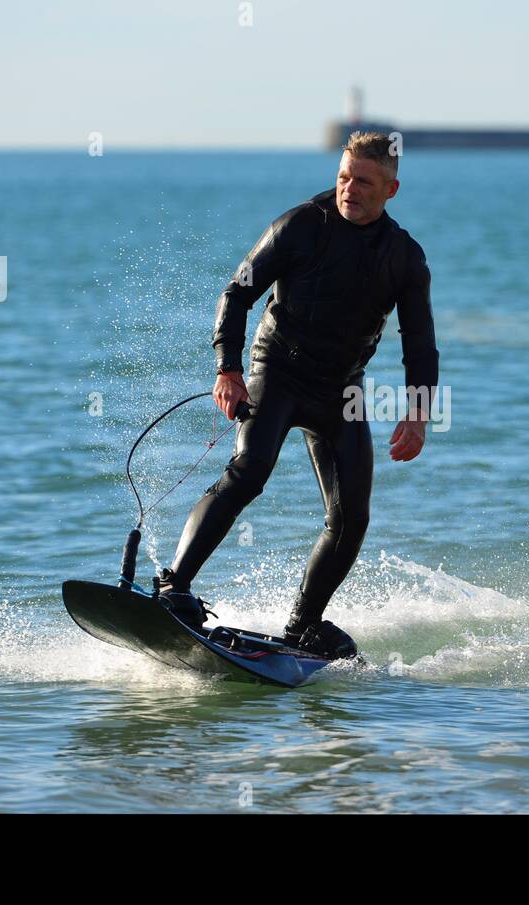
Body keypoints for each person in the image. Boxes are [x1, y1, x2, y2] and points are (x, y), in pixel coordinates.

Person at [156, 131, 439, 660]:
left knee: (352, 515)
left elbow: (420, 344)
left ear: (391, 190)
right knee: (251, 468)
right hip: (275, 370)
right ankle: (174, 585)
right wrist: (228, 369)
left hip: (341, 390)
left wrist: (417, 414)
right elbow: (237, 293)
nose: (349, 189)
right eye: (343, 177)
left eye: (364, 182)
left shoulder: (404, 257)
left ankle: (303, 626)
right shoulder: (300, 225)